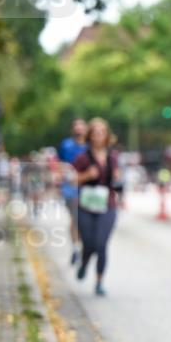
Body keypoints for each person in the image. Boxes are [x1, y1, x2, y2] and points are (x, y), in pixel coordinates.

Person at [72, 117, 122, 297]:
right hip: (86, 206)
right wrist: (87, 175)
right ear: (90, 136)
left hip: (107, 205)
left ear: (107, 135)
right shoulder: (83, 157)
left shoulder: (112, 157)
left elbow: (117, 179)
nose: (99, 136)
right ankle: (84, 263)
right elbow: (73, 179)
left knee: (101, 244)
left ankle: (99, 282)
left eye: (102, 132)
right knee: (89, 243)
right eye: (95, 133)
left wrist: (118, 179)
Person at [59, 119, 89, 264]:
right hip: (70, 188)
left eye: (81, 125)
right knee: (75, 220)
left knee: (86, 221)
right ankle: (76, 249)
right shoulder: (66, 145)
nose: (79, 128)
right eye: (76, 125)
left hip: (87, 188)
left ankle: (84, 246)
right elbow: (60, 165)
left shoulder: (90, 146)